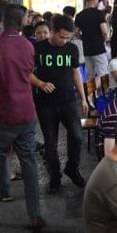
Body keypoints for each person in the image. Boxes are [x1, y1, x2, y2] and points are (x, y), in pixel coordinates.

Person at [0, 4, 44, 232]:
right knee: (29, 164)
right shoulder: (28, 46)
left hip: (1, 113)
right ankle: (35, 216)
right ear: (21, 21)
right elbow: (27, 73)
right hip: (26, 112)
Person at [31, 14, 88, 194]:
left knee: (77, 137)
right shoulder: (37, 48)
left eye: (68, 37)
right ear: (52, 32)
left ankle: (72, 168)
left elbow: (75, 73)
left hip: (69, 102)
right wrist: (40, 83)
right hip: (45, 105)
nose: (64, 41)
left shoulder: (71, 48)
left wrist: (84, 97)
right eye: (61, 36)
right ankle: (55, 178)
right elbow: (25, 72)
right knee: (51, 144)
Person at [76, 0, 109, 101]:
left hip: (87, 48)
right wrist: (104, 39)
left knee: (90, 75)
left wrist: (83, 38)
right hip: (98, 47)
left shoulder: (79, 15)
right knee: (103, 74)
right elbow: (104, 31)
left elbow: (76, 32)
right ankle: (95, 96)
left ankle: (91, 100)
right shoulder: (98, 13)